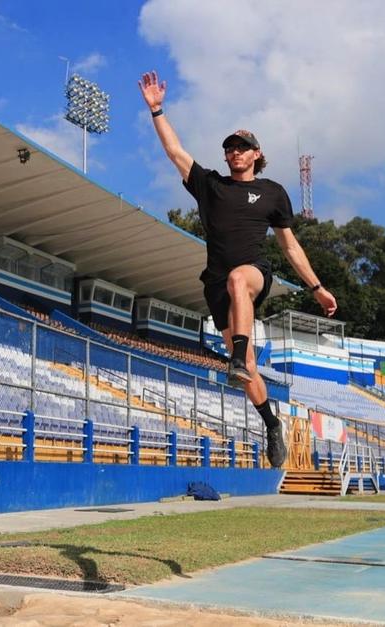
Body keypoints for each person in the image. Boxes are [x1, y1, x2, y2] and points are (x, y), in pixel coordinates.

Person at [137, 70, 337, 467]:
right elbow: (176, 153)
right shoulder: (211, 186)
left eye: (242, 147)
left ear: (257, 154)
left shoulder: (273, 192)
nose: (234, 152)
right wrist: (157, 109)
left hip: (253, 272)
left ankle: (237, 357)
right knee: (246, 367)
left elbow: (290, 246)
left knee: (239, 279)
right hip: (215, 284)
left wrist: (316, 287)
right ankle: (271, 423)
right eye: (229, 147)